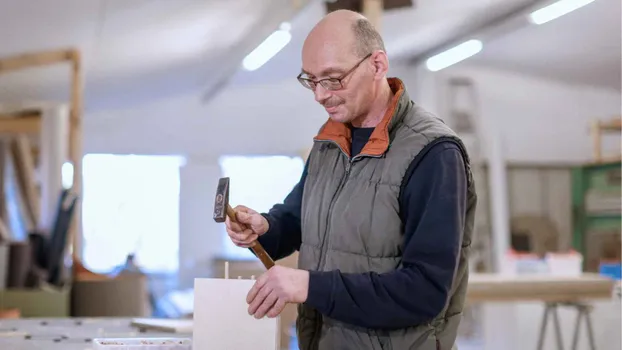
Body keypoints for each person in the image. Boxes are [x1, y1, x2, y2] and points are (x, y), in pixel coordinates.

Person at [225, 9, 477, 350]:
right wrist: (265, 228)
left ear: (377, 65)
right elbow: (300, 218)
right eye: (311, 80)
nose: (320, 94)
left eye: (333, 78)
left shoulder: (433, 154)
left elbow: (425, 292)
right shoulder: (329, 141)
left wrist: (309, 286)